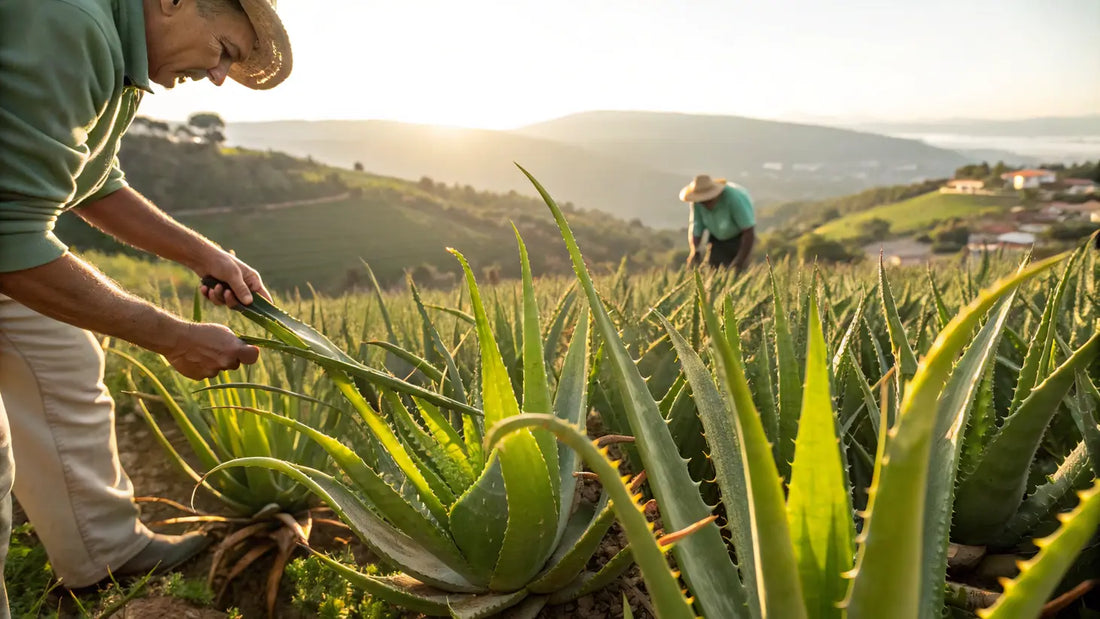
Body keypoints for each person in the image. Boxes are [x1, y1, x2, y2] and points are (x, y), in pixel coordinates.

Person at [0, 0, 292, 610]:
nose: (219, 77)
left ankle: (102, 552)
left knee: (60, 358)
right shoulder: (73, 23)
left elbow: (93, 181)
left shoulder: (125, 56)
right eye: (225, 52)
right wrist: (172, 337)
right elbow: (9, 239)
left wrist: (205, 254)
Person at [679, 174, 756, 271]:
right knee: (713, 271)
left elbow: (749, 231)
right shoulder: (698, 203)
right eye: (703, 201)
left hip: (739, 239)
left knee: (737, 272)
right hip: (716, 238)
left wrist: (739, 261)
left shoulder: (734, 198)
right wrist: (694, 250)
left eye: (708, 200)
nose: (706, 204)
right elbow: (696, 227)